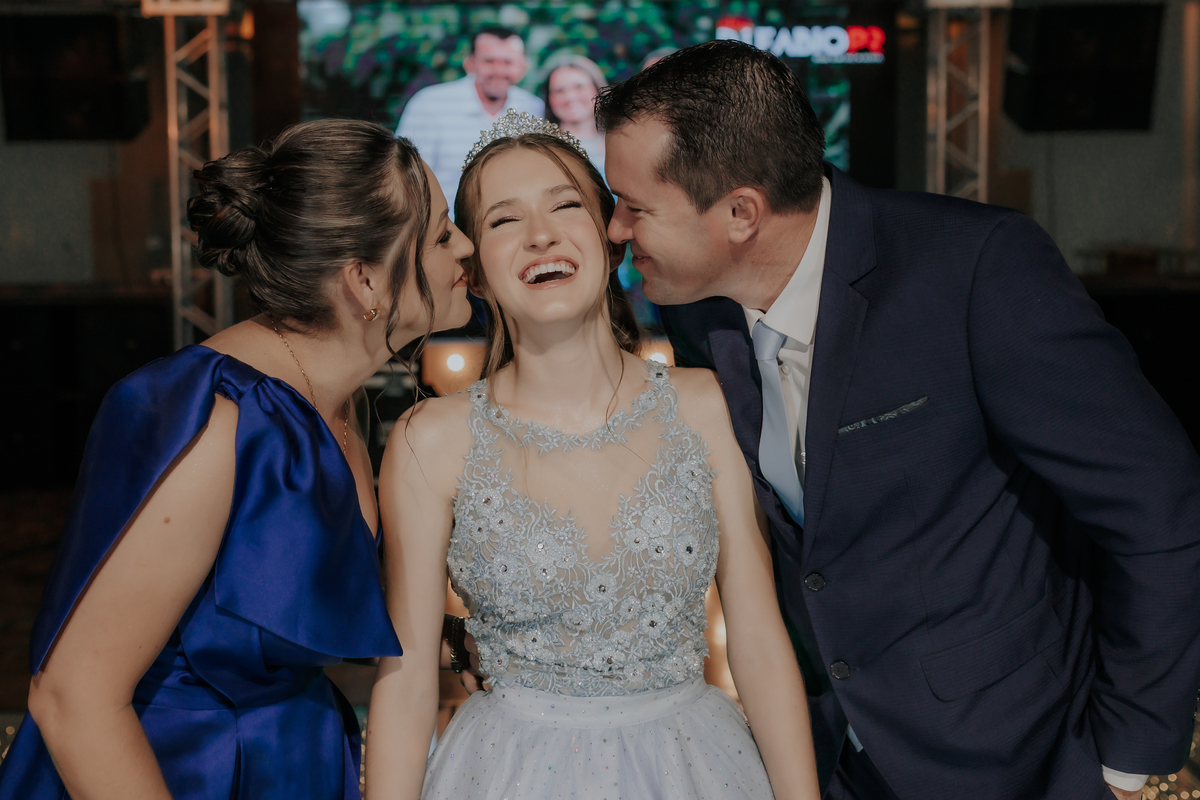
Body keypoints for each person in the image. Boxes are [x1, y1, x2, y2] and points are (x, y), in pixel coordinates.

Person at [596, 40, 1200, 800]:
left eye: (635, 206)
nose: (616, 228)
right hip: (830, 759)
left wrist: (1125, 759)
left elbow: (1159, 505)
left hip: (1015, 757)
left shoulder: (974, 269)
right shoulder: (701, 313)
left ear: (741, 212)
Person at [0, 119, 474, 800]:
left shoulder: (337, 401)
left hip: (292, 760)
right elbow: (72, 696)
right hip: (180, 772)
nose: (465, 246)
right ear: (365, 281)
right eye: (441, 234)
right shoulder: (214, 419)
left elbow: (302, 599)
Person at [364, 110, 821, 800]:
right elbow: (405, 682)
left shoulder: (705, 404)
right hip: (508, 772)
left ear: (611, 239)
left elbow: (758, 640)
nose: (540, 235)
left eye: (565, 206)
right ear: (475, 271)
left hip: (693, 765)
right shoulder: (430, 439)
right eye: (504, 220)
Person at [396, 26, 544, 212]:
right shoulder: (430, 104)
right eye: (489, 61)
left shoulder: (533, 108)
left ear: (523, 66)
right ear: (470, 63)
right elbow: (404, 179)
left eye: (508, 62)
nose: (498, 71)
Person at [542, 54, 607, 174]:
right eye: (559, 91)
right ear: (549, 98)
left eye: (579, 87)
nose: (570, 97)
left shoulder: (619, 139)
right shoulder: (542, 148)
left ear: (597, 89)